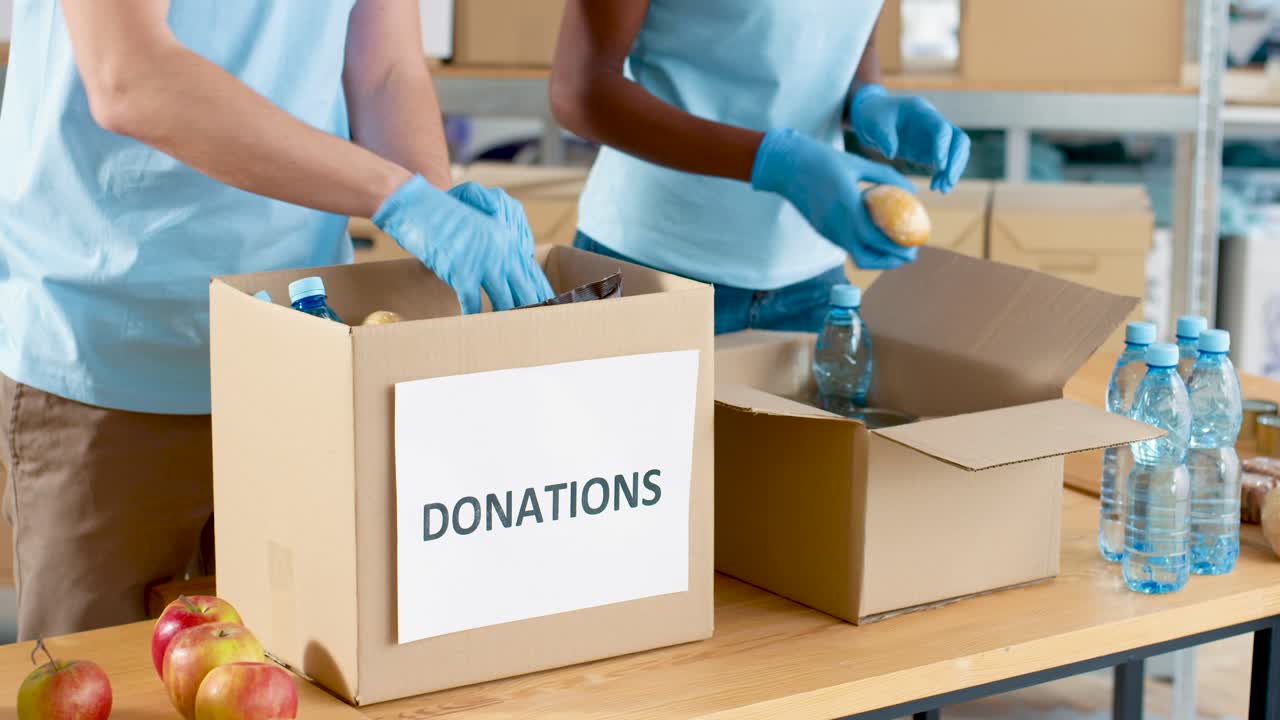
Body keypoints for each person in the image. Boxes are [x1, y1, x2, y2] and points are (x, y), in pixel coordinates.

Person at [0, 0, 553, 639]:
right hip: (110, 349)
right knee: (106, 684)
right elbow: (129, 78)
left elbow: (384, 70)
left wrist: (437, 200)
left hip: (293, 342)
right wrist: (396, 197)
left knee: (288, 667)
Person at [550, 1, 970, 334]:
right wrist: (776, 162)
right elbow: (579, 90)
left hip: (813, 285)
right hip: (653, 271)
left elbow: (847, 35)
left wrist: (866, 99)